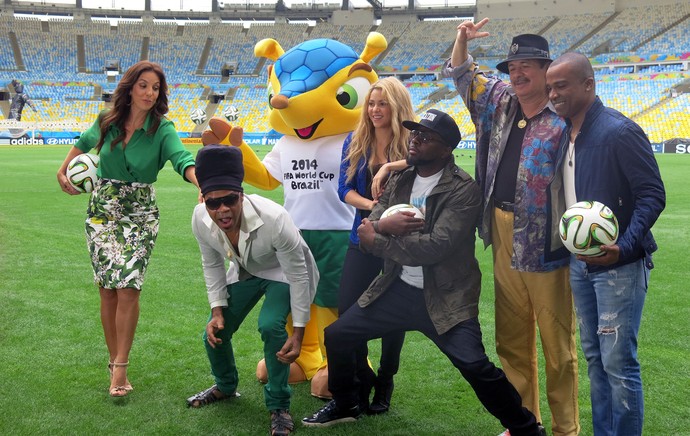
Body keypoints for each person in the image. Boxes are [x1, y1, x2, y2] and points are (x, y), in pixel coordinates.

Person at [302, 109, 542, 436]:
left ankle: (526, 428)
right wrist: (382, 225)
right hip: (396, 288)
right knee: (338, 335)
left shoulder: (463, 189)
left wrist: (382, 235)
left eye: (425, 137)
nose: (414, 141)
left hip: (445, 296)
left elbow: (435, 248)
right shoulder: (401, 180)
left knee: (474, 365)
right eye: (415, 134)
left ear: (446, 149)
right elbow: (370, 229)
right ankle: (346, 403)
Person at [56, 60, 199, 397]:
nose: (150, 93)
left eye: (156, 88)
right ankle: (113, 359)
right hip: (102, 211)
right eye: (144, 85)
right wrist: (62, 172)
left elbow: (182, 159)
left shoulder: (163, 128)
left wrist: (200, 182)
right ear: (131, 87)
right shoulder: (107, 120)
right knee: (107, 289)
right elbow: (82, 143)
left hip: (140, 213)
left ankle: (121, 367)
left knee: (129, 288)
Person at [546, 52, 665, 436]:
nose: (553, 93)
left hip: (619, 267)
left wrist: (625, 246)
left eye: (561, 85)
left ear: (588, 85)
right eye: (550, 87)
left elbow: (652, 194)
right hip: (581, 264)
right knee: (595, 358)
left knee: (619, 363)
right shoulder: (566, 131)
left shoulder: (619, 131)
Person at [187, 144, 318, 436]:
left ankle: (279, 407)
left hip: (283, 271)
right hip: (247, 269)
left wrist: (298, 333)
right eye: (212, 203)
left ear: (241, 194)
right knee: (215, 331)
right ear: (203, 200)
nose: (221, 209)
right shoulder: (199, 218)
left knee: (271, 326)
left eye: (229, 200)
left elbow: (298, 274)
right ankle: (225, 386)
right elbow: (212, 266)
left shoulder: (275, 218)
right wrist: (216, 311)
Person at [336, 77, 414, 414]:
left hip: (400, 246)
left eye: (382, 104)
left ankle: (385, 378)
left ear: (396, 107)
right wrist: (372, 207)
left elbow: (435, 163)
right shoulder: (355, 141)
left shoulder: (412, 143)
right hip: (362, 238)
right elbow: (344, 190)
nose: (375, 110)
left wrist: (390, 166)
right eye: (371, 103)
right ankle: (363, 375)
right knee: (345, 314)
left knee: (393, 319)